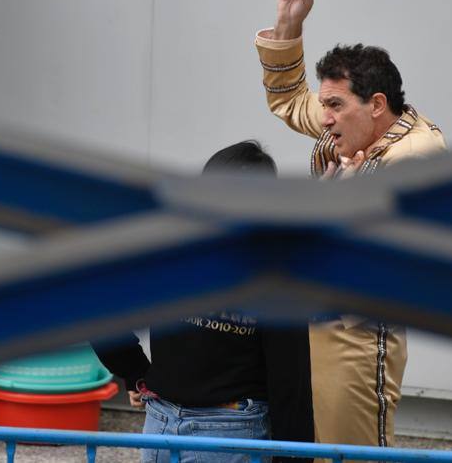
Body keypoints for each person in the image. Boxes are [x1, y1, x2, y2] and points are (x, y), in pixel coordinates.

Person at [254, 0, 447, 456]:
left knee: (353, 455)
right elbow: (287, 100)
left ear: (376, 105)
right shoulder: (354, 131)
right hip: (315, 325)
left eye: (335, 106)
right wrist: (289, 23)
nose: (323, 119)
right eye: (326, 105)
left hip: (356, 340)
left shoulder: (416, 155)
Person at [96, 141, 312, 463]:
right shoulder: (275, 270)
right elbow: (289, 382)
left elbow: (100, 310)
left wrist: (137, 373)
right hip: (231, 430)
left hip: (161, 424)